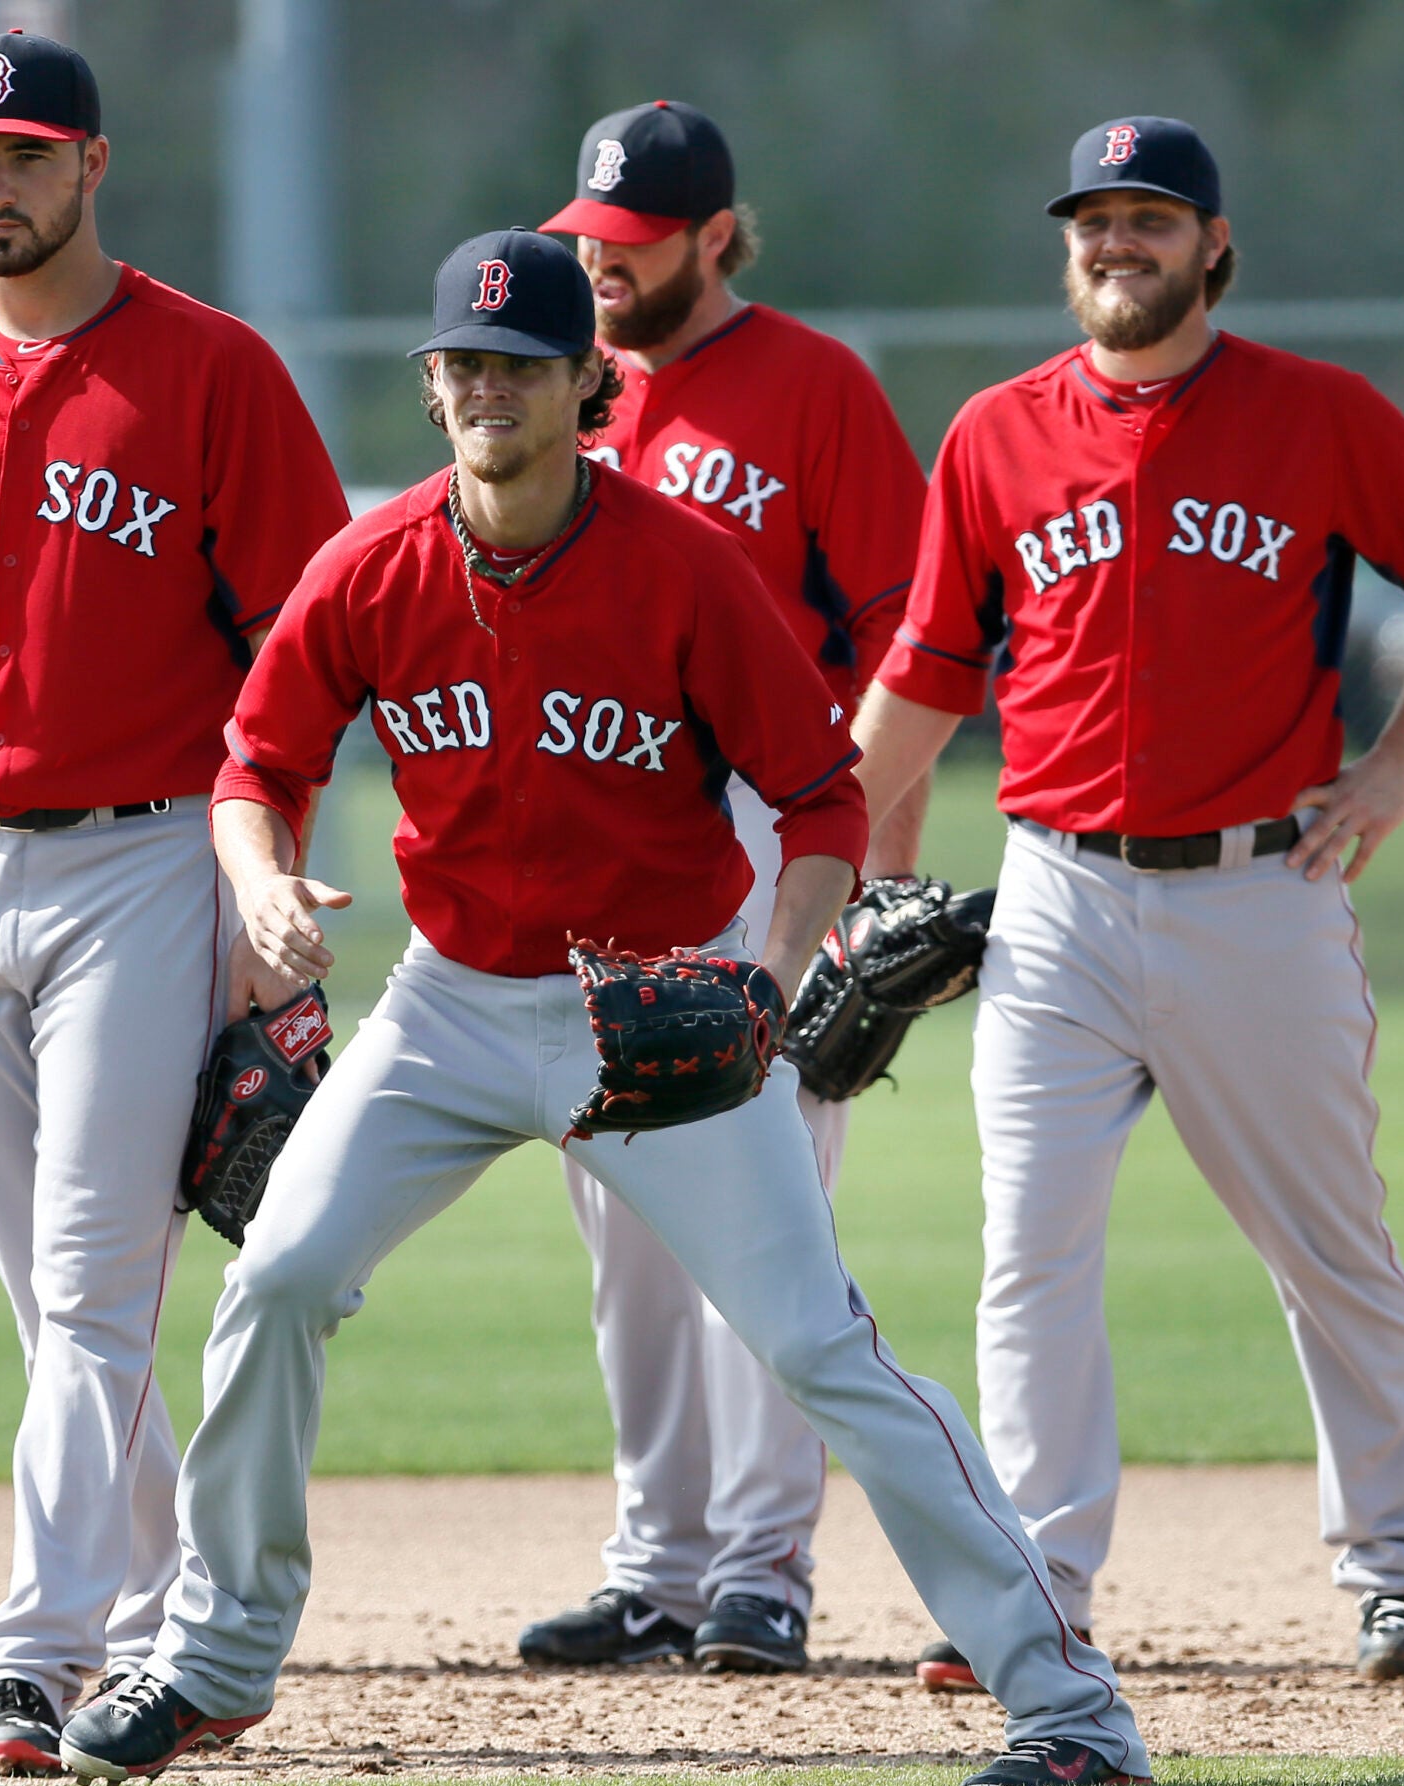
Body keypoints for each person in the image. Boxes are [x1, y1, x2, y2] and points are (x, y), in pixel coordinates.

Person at [53, 229, 1152, 1786]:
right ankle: (216, 1661)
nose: (490, 387)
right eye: (466, 364)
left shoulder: (682, 566)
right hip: (446, 1005)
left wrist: (764, 985)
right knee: (280, 1276)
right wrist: (260, 882)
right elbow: (258, 766)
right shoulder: (374, 566)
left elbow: (824, 801)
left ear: (590, 390)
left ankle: (1065, 1703)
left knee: (815, 1345)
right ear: (433, 387)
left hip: (656, 995)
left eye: (525, 365)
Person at [851, 116, 1404, 1692]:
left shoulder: (1319, 415)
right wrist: (843, 872)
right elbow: (923, 683)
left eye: (1152, 219)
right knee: (1029, 1251)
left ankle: (1397, 1573)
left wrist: (1397, 768)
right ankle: (1036, 1585)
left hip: (1259, 890)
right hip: (1054, 895)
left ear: (1215, 246)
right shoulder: (996, 434)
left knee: (1327, 1243)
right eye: (1094, 220)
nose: (1117, 244)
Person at [0, 32, 345, 1777]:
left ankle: (25, 1656)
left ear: (93, 167)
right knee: (56, 1306)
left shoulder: (211, 371)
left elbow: (304, 649)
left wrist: (262, 875)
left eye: (25, 155)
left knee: (96, 1284)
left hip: (144, 856)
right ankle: (179, 1615)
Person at [519, 99, 929, 1677]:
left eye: (631, 250)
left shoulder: (814, 388)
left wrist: (869, 870)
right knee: (620, 1220)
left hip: (768, 836)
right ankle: (658, 1568)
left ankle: (763, 1570)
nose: (602, 272)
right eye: (588, 246)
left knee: (764, 1216)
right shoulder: (576, 389)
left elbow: (911, 635)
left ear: (714, 236)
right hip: (606, 841)